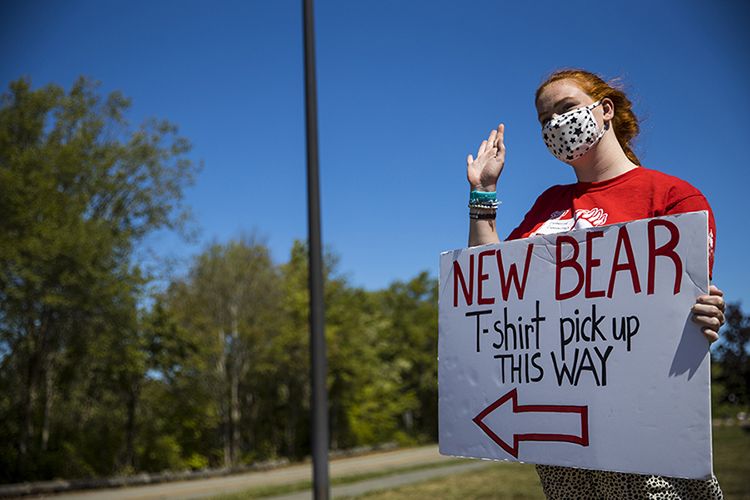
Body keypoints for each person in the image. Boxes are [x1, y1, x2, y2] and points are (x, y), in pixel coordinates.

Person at [465, 69, 726, 499]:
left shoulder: (673, 197)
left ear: (604, 110)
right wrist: (484, 192)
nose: (554, 125)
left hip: (644, 435)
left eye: (565, 109)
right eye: (544, 119)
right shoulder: (548, 204)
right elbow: (491, 284)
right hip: (561, 434)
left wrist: (702, 312)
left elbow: (680, 307)